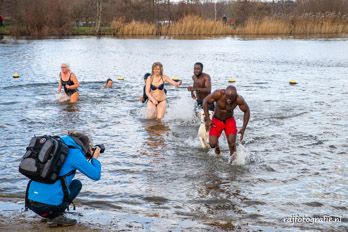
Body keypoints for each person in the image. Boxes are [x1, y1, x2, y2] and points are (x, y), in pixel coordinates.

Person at [26, 131, 102, 227]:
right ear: (84, 144)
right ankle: (55, 216)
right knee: (77, 184)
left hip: (31, 202)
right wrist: (94, 158)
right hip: (46, 207)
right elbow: (95, 175)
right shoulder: (75, 153)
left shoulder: (55, 147)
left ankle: (50, 213)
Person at [203, 86, 250, 161]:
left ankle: (233, 164)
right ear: (224, 93)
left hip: (229, 121)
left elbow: (247, 111)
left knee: (232, 144)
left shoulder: (239, 99)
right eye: (227, 97)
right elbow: (205, 101)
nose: (229, 100)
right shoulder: (218, 94)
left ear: (235, 96)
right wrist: (208, 119)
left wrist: (243, 128)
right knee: (212, 144)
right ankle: (217, 146)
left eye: (231, 98)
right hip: (217, 120)